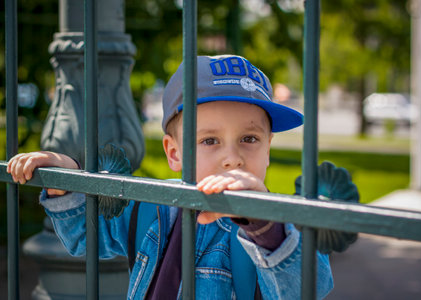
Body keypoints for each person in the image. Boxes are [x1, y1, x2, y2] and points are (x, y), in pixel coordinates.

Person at [7, 55, 333, 299]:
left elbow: (310, 288)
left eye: (249, 139)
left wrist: (265, 226)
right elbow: (85, 237)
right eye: (209, 140)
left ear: (268, 150)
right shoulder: (152, 205)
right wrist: (65, 178)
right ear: (174, 153)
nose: (233, 158)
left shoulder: (283, 224)